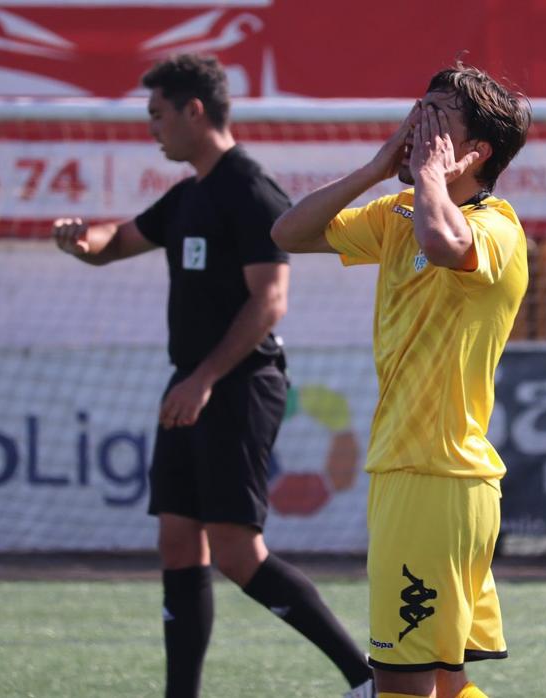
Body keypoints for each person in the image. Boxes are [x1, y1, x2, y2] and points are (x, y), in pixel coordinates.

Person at [52, 53, 374, 698]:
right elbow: (118, 241)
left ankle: (365, 678)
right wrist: (82, 242)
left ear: (193, 111)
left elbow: (270, 300)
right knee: (177, 540)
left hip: (238, 384)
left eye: (157, 115)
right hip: (191, 385)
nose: (153, 128)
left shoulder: (250, 189)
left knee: (234, 551)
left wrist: (202, 380)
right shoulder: (188, 195)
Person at [271, 63, 532, 698]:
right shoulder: (398, 213)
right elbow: (287, 232)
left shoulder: (497, 226)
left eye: (437, 119)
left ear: (477, 152)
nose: (418, 126)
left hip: (434, 482)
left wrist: (429, 177)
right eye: (418, 111)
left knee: (401, 685)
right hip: (426, 480)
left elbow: (447, 242)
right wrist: (376, 168)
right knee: (444, 681)